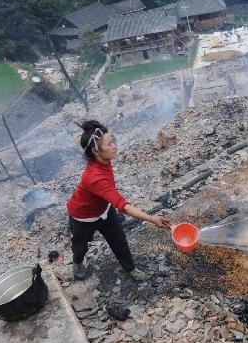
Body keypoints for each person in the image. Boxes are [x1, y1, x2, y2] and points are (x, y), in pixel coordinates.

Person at [66, 120, 170, 281]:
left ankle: (131, 269)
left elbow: (113, 198)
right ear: (96, 151)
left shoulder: (104, 160)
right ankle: (77, 262)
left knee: (119, 240)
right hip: (83, 216)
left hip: (104, 210)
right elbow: (124, 206)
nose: (114, 146)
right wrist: (151, 218)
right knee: (80, 247)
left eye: (112, 141)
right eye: (109, 144)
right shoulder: (94, 178)